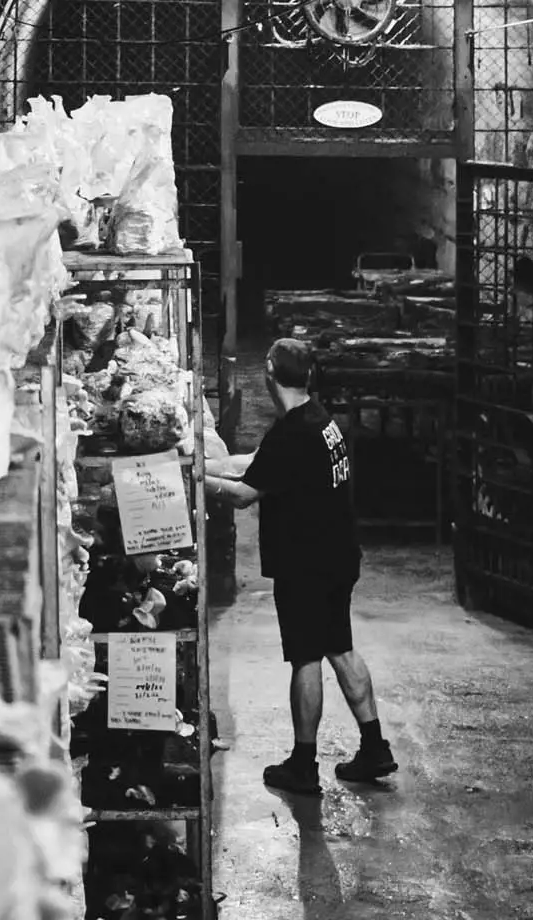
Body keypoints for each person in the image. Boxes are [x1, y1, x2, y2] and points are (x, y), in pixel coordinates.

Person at [204, 336, 395, 795]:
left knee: (306, 657)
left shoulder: (292, 433)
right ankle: (375, 748)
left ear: (269, 374)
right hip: (337, 555)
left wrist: (193, 477)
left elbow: (244, 494)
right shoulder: (318, 419)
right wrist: (216, 464)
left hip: (306, 564)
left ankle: (303, 765)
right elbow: (259, 464)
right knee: (340, 648)